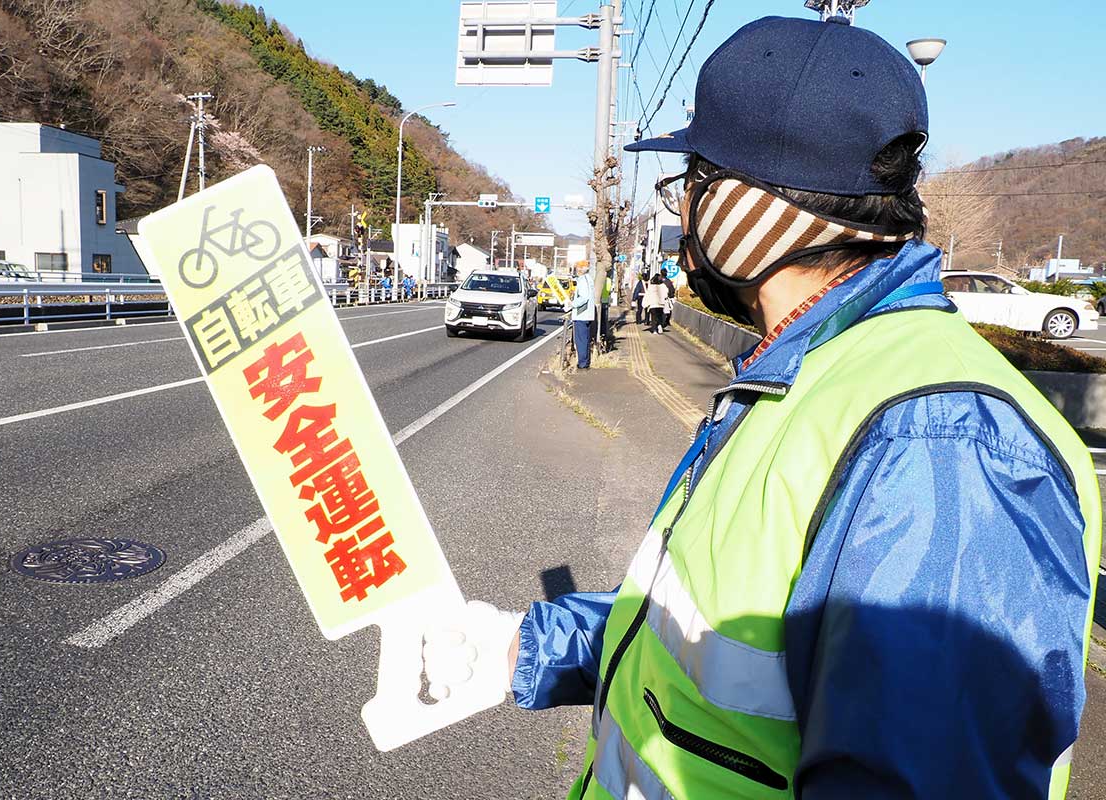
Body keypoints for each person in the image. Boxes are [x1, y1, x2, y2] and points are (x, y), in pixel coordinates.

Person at [424, 14, 1101, 799]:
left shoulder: (940, 446)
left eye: (693, 183)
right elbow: (713, 626)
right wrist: (523, 645)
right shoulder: (812, 373)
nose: (683, 215)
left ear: (754, 206)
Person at [566, 261, 594, 369]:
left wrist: (572, 304)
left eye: (577, 268)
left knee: (581, 340)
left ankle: (582, 363)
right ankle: (585, 361)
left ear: (581, 269)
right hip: (588, 314)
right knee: (585, 339)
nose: (576, 270)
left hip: (582, 314)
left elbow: (584, 297)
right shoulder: (589, 279)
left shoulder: (583, 280)